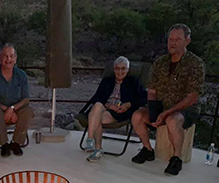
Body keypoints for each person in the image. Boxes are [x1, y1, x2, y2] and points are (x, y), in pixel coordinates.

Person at [131, 24, 204, 175]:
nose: (173, 43)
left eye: (178, 39)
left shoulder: (195, 64)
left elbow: (192, 96)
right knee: (137, 116)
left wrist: (166, 113)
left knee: (172, 120)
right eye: (171, 39)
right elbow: (152, 90)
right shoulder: (160, 63)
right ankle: (147, 149)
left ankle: (176, 158)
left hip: (186, 109)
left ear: (187, 41)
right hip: (161, 107)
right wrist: (153, 111)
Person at [83, 56, 147, 162]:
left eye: (123, 68)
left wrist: (128, 104)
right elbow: (96, 98)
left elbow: (144, 97)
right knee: (98, 105)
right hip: (104, 108)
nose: (120, 71)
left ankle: (96, 147)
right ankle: (91, 140)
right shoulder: (107, 81)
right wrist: (109, 105)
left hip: (119, 112)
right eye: (117, 68)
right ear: (114, 69)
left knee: (96, 116)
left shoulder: (133, 82)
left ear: (127, 69)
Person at [0, 43, 34, 156]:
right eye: (5, 56)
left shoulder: (21, 75)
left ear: (15, 58)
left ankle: (16, 143)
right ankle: (4, 144)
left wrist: (12, 109)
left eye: (11, 56)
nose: (8, 59)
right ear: (0, 58)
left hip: (16, 107)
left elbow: (26, 99)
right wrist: (6, 109)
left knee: (28, 111)